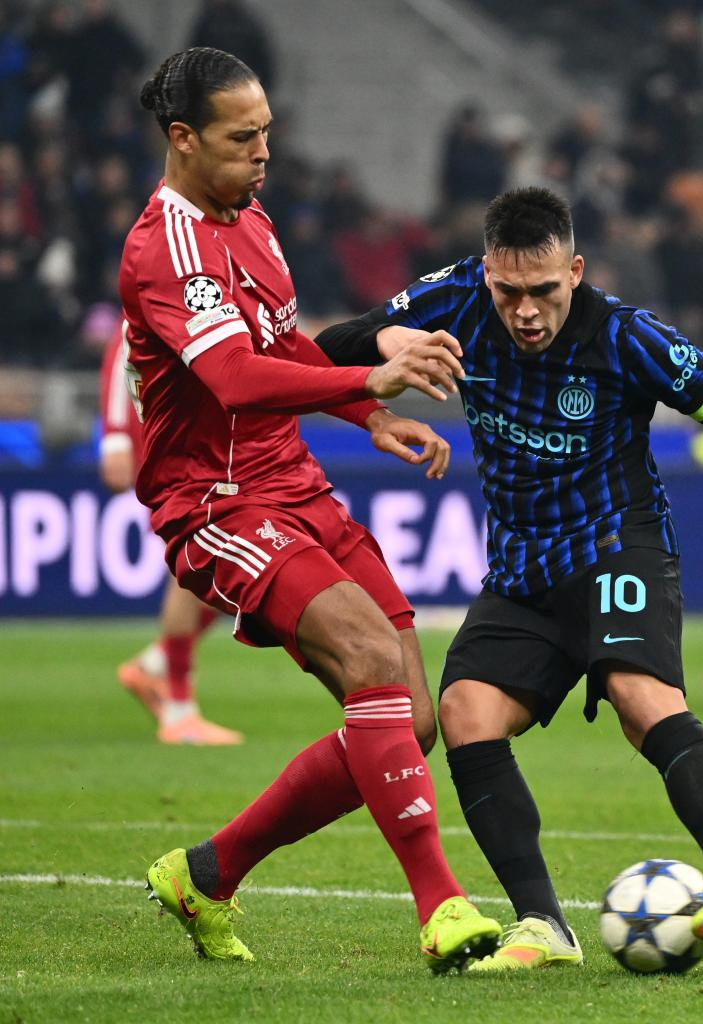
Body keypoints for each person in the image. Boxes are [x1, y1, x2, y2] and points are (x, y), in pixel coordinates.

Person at [314, 187, 703, 970]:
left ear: (574, 272)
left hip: (619, 546)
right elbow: (329, 347)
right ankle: (544, 924)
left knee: (638, 698)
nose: (526, 312)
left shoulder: (625, 335)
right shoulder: (453, 301)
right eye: (509, 293)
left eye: (544, 290)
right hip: (522, 564)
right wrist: (388, 339)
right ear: (487, 275)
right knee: (466, 713)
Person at [121, 47, 500, 970]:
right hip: (215, 501)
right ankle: (442, 907)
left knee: (410, 717)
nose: (263, 154)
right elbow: (233, 375)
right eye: (241, 138)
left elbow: (282, 342)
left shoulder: (250, 219)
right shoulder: (163, 248)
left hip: (293, 482)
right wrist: (369, 374)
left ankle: (207, 872)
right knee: (370, 657)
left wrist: (369, 415)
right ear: (183, 139)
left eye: (266, 134)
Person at [99, 325, 241, 744]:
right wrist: (114, 438)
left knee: (230, 571)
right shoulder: (163, 289)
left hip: (208, 441)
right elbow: (123, 344)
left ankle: (156, 665)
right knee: (194, 566)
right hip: (172, 445)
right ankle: (179, 710)